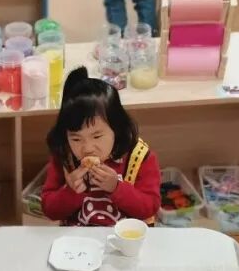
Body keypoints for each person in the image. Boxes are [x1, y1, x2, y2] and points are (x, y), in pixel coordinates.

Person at [41, 67, 160, 227]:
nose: (87, 148)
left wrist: (116, 188)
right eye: (76, 139)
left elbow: (150, 207)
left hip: (126, 236)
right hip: (78, 235)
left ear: (116, 129)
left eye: (97, 136)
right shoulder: (65, 155)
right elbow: (49, 210)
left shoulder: (139, 156)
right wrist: (71, 192)